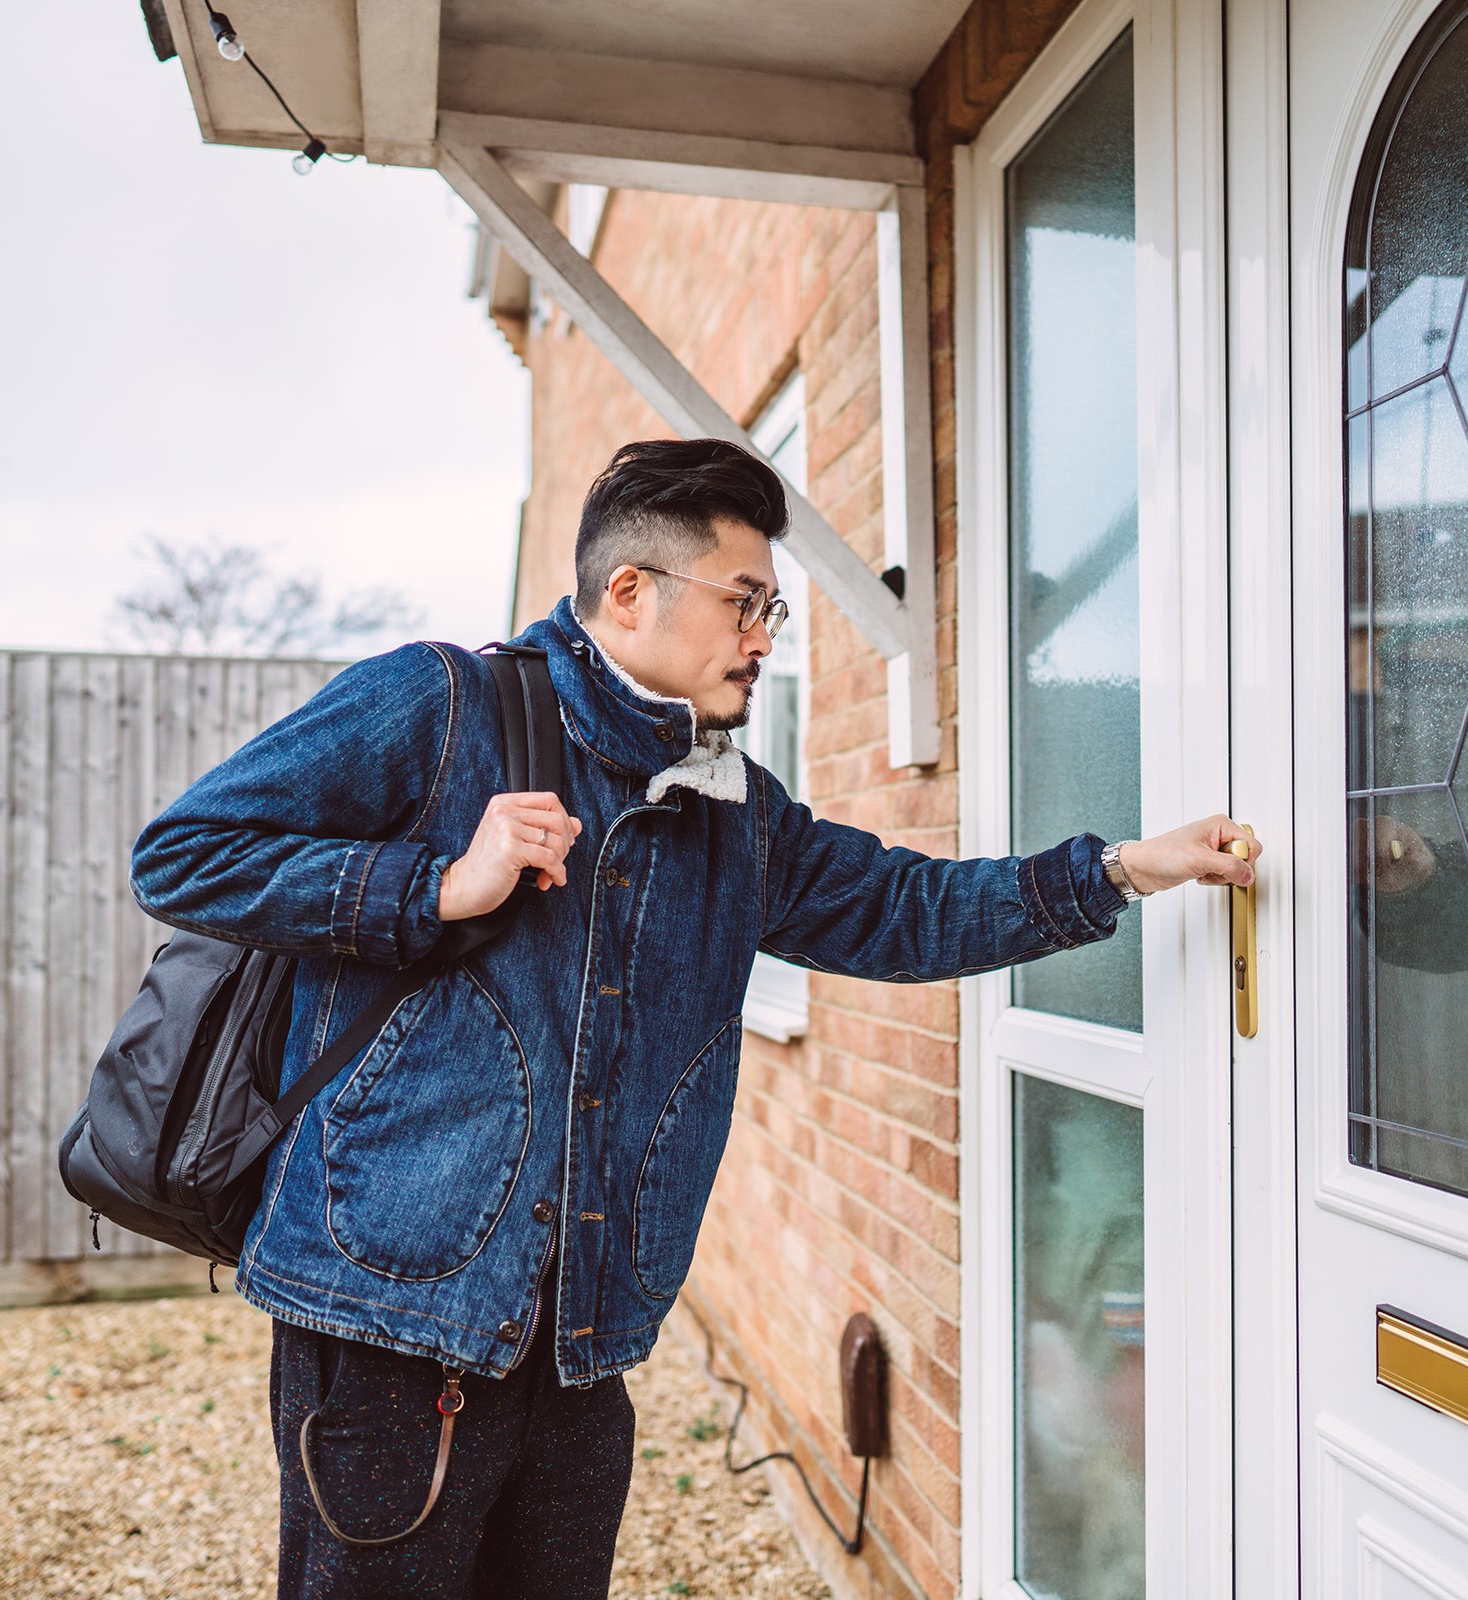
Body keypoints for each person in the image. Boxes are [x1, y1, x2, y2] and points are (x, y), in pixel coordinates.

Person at [129, 437, 1261, 1599]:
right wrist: (435, 887)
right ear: (630, 593)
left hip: (581, 1351)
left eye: (771, 607)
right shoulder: (438, 704)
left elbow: (908, 908)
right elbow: (182, 856)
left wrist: (1124, 867)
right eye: (743, 603)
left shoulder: (735, 812)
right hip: (387, 1325)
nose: (765, 637)